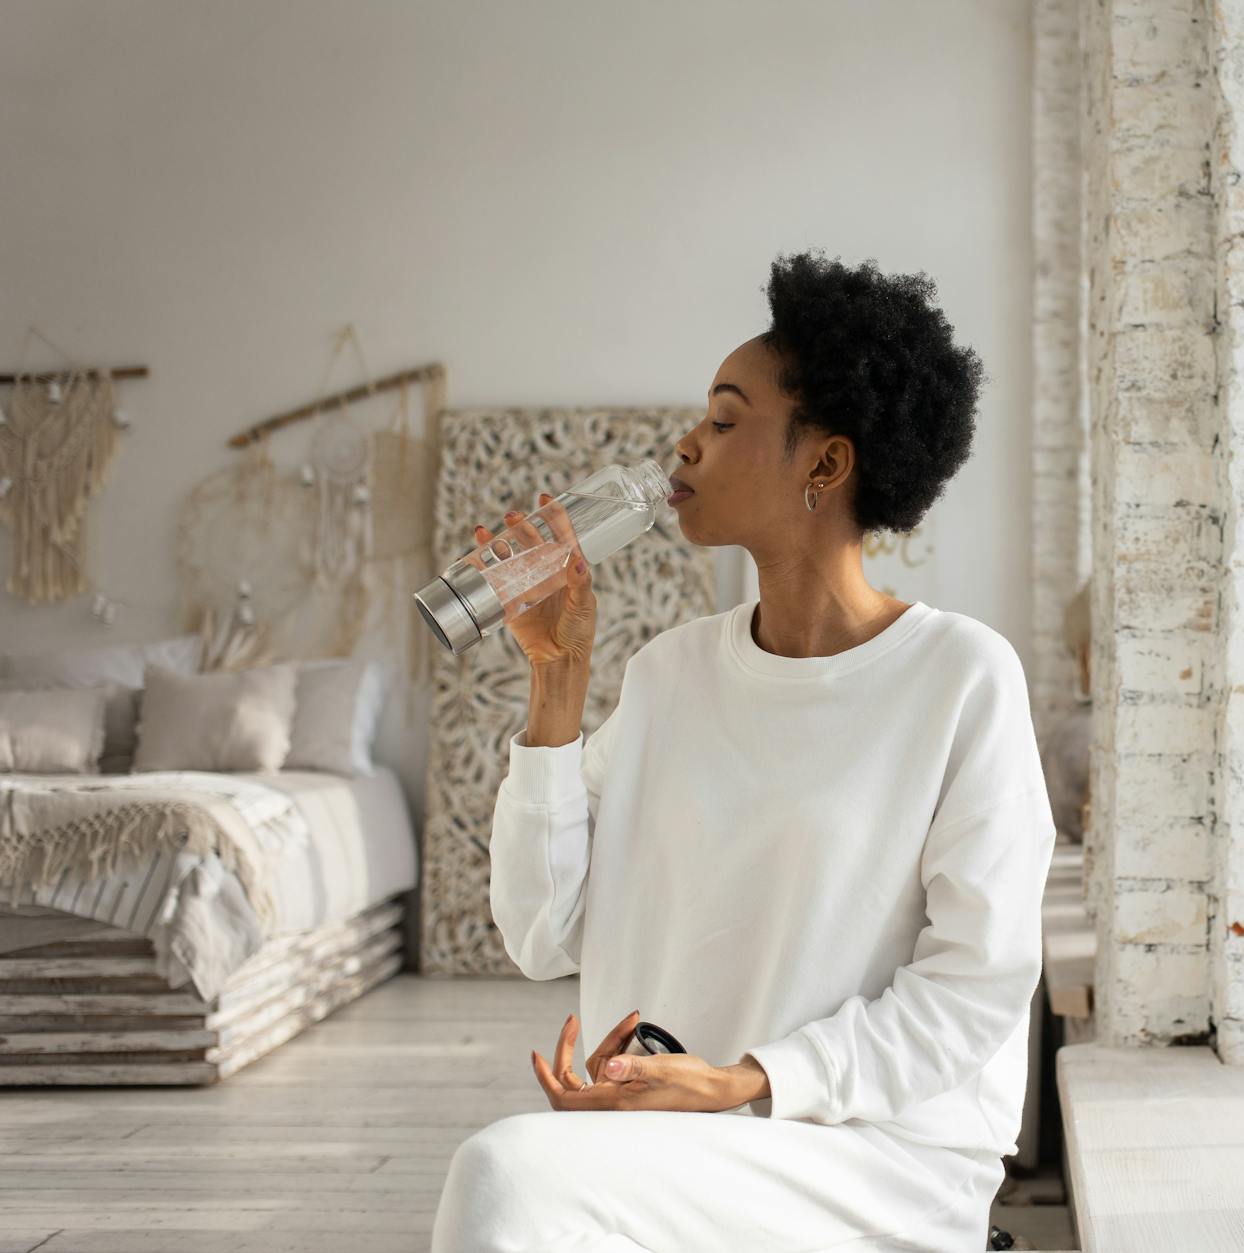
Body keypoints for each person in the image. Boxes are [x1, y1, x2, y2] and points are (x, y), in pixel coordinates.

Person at [430, 250, 1058, 1253]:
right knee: (518, 1183)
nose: (686, 443)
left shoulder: (959, 677)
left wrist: (746, 1081)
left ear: (825, 462)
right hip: (688, 1141)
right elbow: (540, 933)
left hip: (871, 1157)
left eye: (725, 420)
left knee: (503, 1173)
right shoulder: (669, 674)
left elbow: (975, 985)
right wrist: (554, 685)